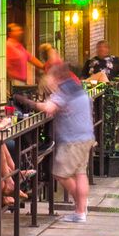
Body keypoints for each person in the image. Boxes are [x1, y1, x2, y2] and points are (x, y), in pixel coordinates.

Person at [43, 54, 97, 222]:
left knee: (61, 174)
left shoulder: (64, 91)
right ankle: (81, 211)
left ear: (57, 77)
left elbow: (48, 109)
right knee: (81, 173)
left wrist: (32, 103)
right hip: (86, 136)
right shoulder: (77, 87)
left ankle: (80, 207)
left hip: (71, 141)